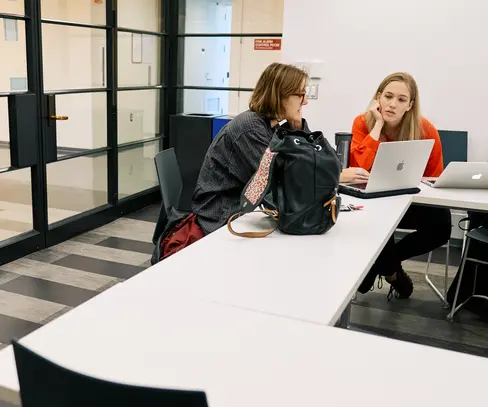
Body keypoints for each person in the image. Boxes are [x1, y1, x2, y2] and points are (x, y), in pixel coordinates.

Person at [192, 62, 369, 235]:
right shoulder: (250, 128)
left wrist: (297, 127)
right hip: (222, 215)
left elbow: (308, 163)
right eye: (301, 95)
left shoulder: (272, 127)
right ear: (281, 95)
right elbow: (282, 182)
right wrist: (336, 177)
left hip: (245, 212)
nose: (305, 101)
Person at [351, 72, 451, 299]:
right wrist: (377, 125)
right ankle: (393, 274)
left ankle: (379, 266)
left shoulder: (426, 130)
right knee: (376, 224)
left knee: (442, 225)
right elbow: (359, 169)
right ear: (378, 97)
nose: (392, 104)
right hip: (373, 202)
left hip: (409, 201)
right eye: (388, 96)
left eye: (401, 99)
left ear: (410, 105)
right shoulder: (362, 123)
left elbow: (434, 178)